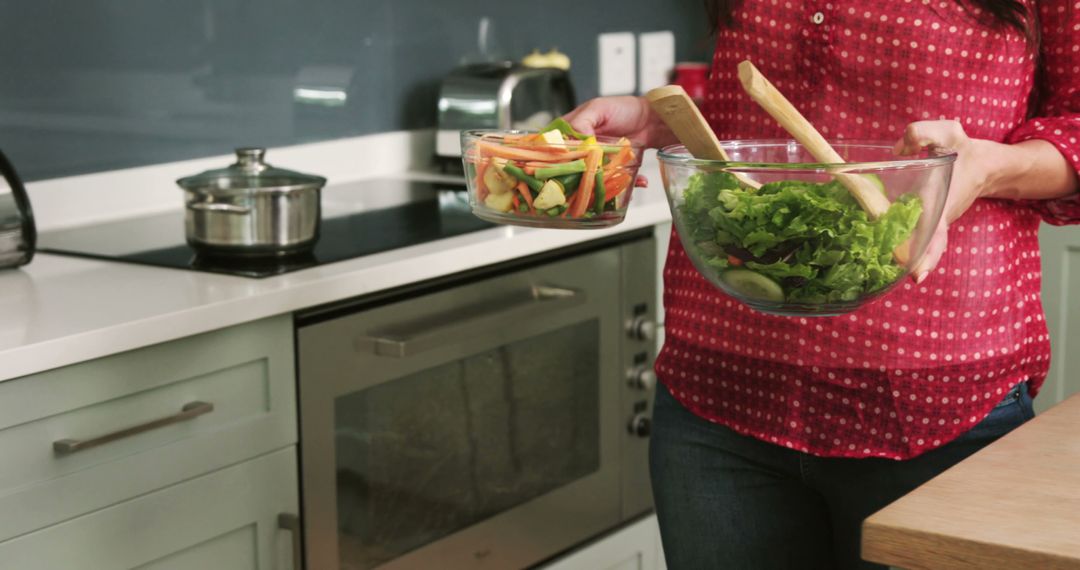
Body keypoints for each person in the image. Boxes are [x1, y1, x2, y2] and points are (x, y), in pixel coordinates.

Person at [565, 1, 1080, 568]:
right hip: (719, 389)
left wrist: (988, 165)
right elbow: (760, 116)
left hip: (936, 401)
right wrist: (662, 119)